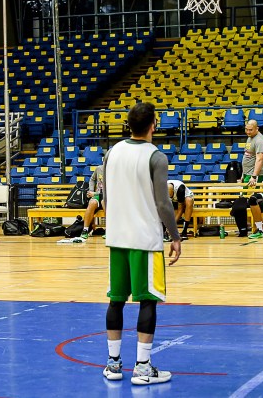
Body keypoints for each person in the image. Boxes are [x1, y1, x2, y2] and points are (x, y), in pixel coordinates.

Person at [102, 102, 181, 386]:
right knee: (147, 301)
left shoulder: (111, 153)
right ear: (153, 125)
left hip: (116, 237)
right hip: (145, 240)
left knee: (116, 299)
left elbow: (106, 198)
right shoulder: (156, 157)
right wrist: (175, 235)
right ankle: (143, 367)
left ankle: (112, 364)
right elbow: (163, 203)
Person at [75, 167, 104, 242]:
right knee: (92, 203)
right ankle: (85, 230)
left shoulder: (114, 170)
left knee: (104, 202)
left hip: (108, 196)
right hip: (97, 195)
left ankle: (110, 231)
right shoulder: (99, 169)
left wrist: (94, 193)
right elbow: (92, 179)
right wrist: (91, 190)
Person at [240, 119, 263, 186]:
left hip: (253, 175)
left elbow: (260, 159)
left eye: (250, 130)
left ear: (257, 129)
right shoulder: (250, 137)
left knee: (249, 196)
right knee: (244, 195)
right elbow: (247, 154)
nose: (248, 132)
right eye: (246, 129)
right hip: (247, 173)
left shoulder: (260, 141)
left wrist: (254, 177)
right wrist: (243, 173)